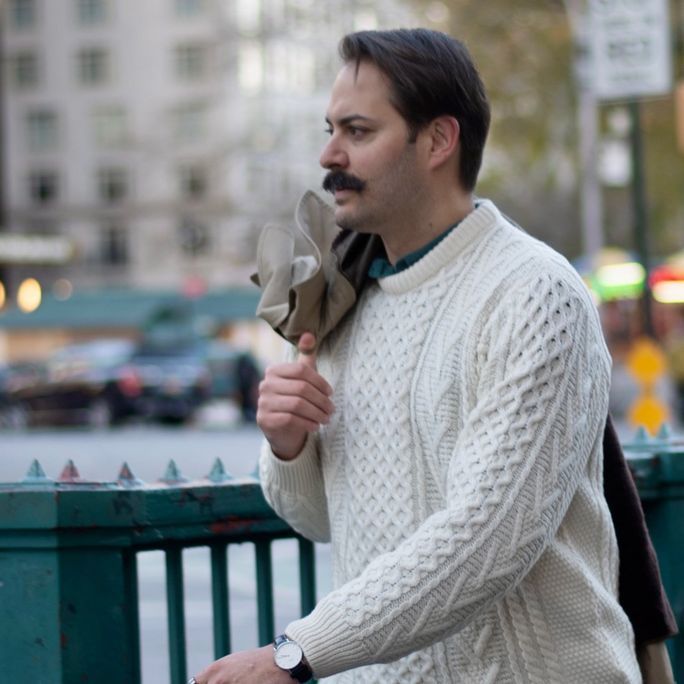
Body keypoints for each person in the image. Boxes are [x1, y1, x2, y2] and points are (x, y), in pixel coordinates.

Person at [191, 28, 642, 683]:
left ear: (437, 140)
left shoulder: (534, 293)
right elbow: (323, 520)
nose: (329, 154)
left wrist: (297, 653)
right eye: (329, 129)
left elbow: (488, 537)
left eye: (358, 131)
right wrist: (289, 446)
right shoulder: (343, 300)